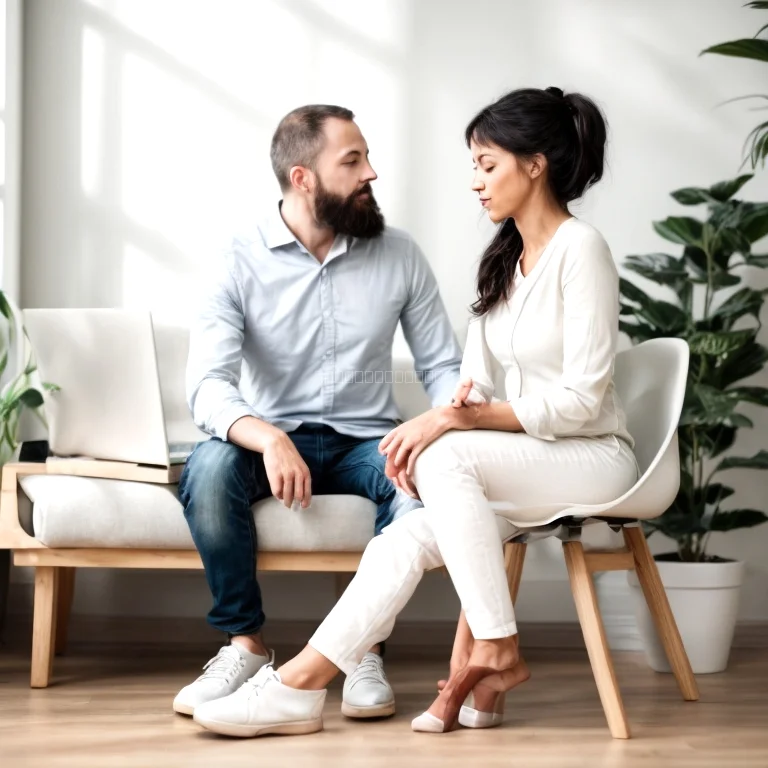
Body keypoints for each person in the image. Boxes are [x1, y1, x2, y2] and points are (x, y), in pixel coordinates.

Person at [189, 87, 640, 739]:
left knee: (441, 452)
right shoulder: (504, 261)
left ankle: (495, 644)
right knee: (401, 538)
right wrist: (459, 406)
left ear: (533, 165)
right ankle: (298, 687)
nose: (475, 182)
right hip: (539, 461)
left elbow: (582, 402)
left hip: (596, 457)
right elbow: (472, 384)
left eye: (486, 164)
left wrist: (450, 421)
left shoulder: (581, 249)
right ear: (301, 175)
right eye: (475, 166)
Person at [173, 104, 462, 719]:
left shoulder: (399, 253)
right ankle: (245, 645)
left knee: (416, 477)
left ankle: (361, 650)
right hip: (275, 435)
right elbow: (207, 384)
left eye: (367, 157)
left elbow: (442, 366)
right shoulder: (236, 256)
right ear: (303, 178)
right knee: (208, 467)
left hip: (367, 441)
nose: (372, 173)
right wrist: (268, 438)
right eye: (352, 161)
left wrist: (445, 424)